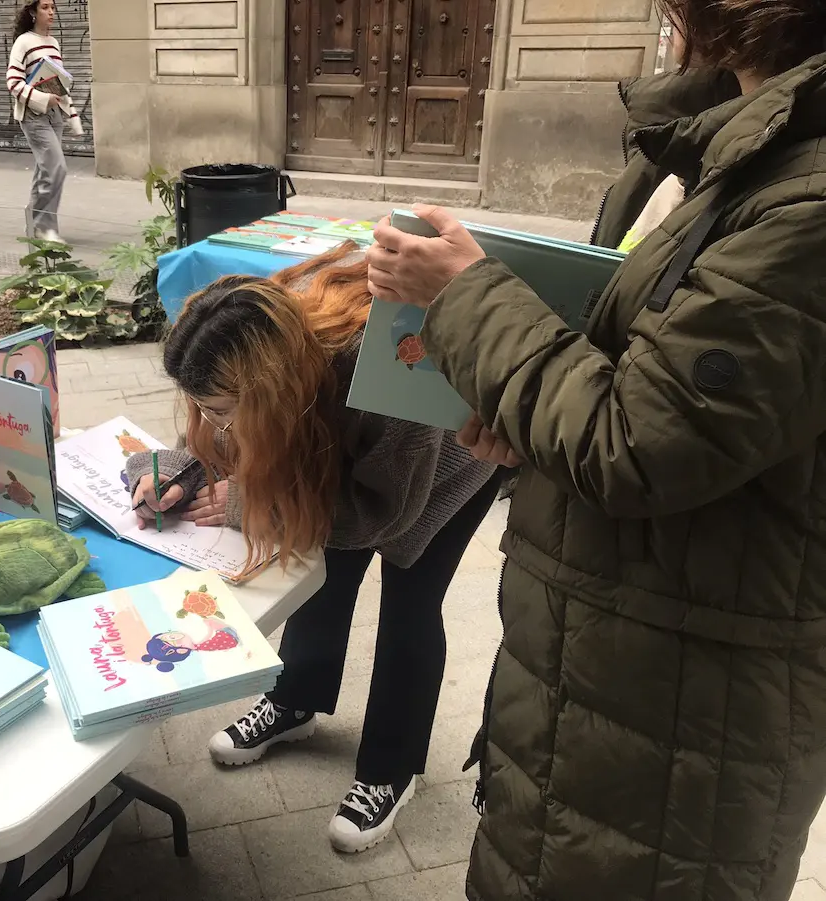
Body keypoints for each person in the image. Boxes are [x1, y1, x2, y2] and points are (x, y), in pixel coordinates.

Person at [365, 1, 826, 897]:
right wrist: (527, 415)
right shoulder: (698, 138)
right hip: (599, 636)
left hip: (685, 697)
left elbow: (636, 444)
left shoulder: (805, 195)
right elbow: (636, 383)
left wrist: (461, 297)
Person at [127, 247, 499, 853]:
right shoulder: (254, 331)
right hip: (346, 439)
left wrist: (249, 505)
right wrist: (174, 468)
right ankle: (296, 700)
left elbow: (381, 516)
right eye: (203, 407)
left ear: (269, 391)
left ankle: (390, 767)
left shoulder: (385, 369)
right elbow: (212, 423)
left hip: (449, 461)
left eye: (222, 412)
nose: (212, 423)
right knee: (319, 575)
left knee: (411, 606)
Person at [6, 0, 81, 244]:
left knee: (44, 170)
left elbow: (58, 83)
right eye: (45, 7)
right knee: (56, 167)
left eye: (53, 7)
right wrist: (41, 98)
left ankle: (34, 222)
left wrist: (73, 118)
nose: (51, 12)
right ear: (32, 12)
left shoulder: (53, 43)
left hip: (55, 114)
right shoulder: (23, 42)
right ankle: (44, 227)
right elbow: (13, 82)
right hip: (33, 115)